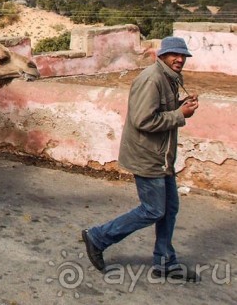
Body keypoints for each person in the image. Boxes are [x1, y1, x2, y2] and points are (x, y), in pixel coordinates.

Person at [82, 36, 200, 282]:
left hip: (162, 157)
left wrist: (181, 105)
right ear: (162, 56)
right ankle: (98, 237)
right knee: (153, 210)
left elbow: (159, 110)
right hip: (147, 156)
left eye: (183, 55)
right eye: (174, 54)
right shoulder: (152, 79)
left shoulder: (170, 78)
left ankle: (165, 262)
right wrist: (180, 114)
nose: (180, 59)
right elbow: (143, 120)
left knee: (169, 209)